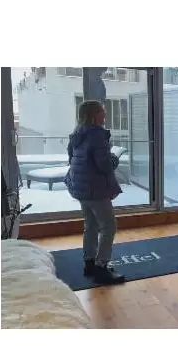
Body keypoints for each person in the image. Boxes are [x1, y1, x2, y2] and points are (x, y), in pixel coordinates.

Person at [64, 100, 125, 284]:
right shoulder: (97, 135)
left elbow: (72, 158)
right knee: (108, 226)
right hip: (95, 188)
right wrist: (114, 157)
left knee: (90, 225)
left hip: (80, 187)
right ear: (93, 115)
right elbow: (105, 165)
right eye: (102, 111)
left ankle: (89, 263)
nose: (105, 114)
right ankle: (101, 266)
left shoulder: (77, 133)